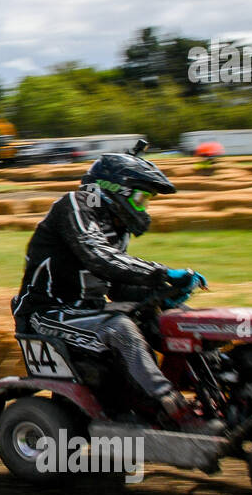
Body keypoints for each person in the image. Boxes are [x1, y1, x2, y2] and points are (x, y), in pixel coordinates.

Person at [11, 145, 211, 428]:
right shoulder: (76, 205)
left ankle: (209, 385)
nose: (144, 207)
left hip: (87, 312)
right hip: (46, 314)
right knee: (120, 328)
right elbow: (99, 257)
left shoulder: (117, 228)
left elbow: (119, 286)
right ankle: (170, 406)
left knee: (172, 319)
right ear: (117, 190)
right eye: (141, 198)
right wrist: (162, 273)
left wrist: (162, 296)